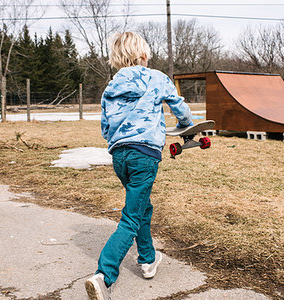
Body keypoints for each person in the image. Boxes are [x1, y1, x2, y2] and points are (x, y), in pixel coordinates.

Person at [85, 32, 192, 300]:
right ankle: (103, 276)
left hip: (120, 157)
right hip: (144, 155)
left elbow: (105, 128)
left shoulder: (110, 88)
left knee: (142, 205)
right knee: (131, 217)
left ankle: (147, 260)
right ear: (143, 55)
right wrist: (186, 123)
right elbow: (179, 107)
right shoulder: (156, 77)